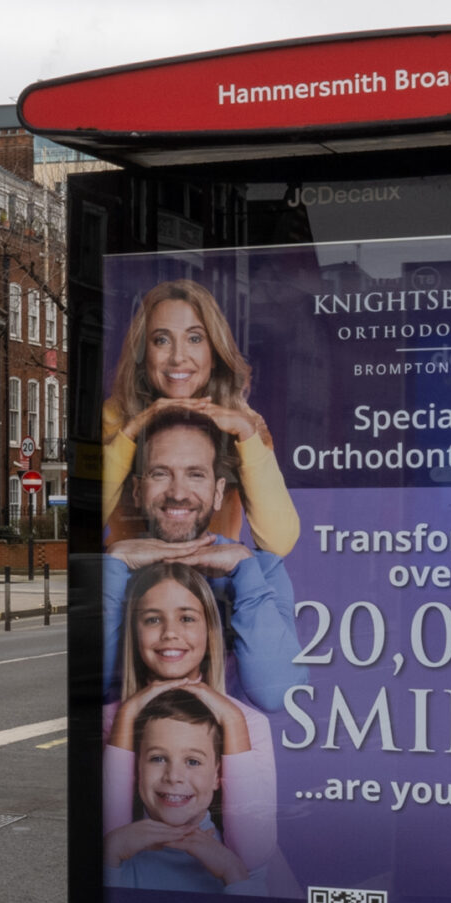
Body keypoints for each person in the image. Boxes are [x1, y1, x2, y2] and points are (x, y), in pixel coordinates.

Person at [99, 410, 300, 712]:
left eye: (195, 474)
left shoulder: (261, 569)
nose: (178, 493)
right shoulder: (110, 568)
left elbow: (277, 694)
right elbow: (92, 684)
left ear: (218, 493)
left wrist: (244, 570)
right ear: (138, 492)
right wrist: (114, 565)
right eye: (160, 473)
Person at [99, 280, 300, 555]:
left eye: (194, 338)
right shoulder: (115, 416)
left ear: (214, 353)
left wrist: (246, 433)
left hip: (209, 588)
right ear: (143, 354)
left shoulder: (243, 422)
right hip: (132, 585)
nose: (178, 357)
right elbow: (86, 521)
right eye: (162, 340)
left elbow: (279, 542)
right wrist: (131, 431)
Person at [103, 687, 265, 893]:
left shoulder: (242, 859)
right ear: (136, 768)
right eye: (158, 758)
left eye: (193, 761)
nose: (173, 776)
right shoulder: (116, 853)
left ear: (217, 776)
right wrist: (109, 853)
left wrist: (233, 873)